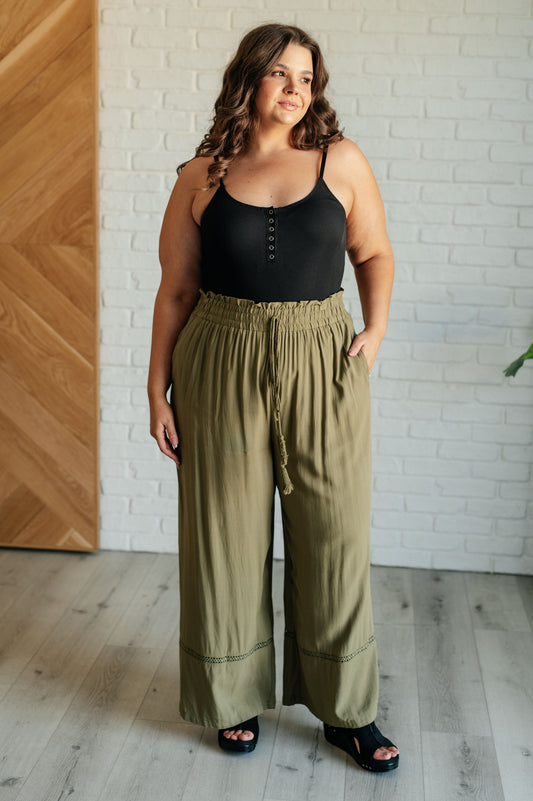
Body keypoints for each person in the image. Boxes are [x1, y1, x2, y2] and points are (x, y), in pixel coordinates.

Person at [147, 23, 398, 773]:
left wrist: (375, 330)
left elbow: (373, 252)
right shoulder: (200, 175)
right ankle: (231, 696)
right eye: (281, 74)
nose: (295, 90)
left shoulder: (340, 161)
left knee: (334, 534)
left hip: (322, 357)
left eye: (307, 78)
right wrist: (155, 389)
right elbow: (176, 289)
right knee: (223, 535)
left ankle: (347, 711)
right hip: (219, 357)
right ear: (248, 78)